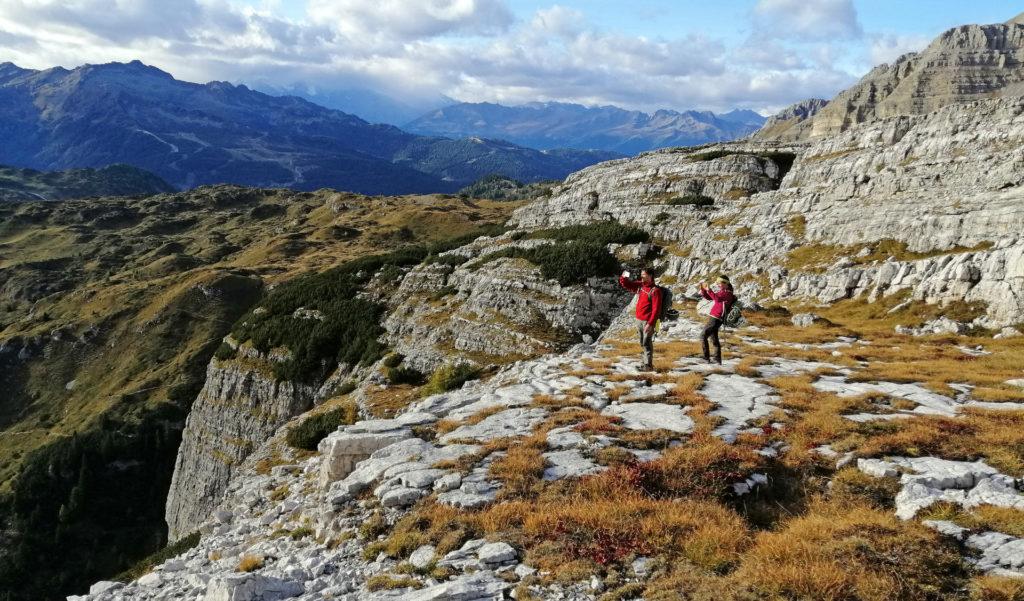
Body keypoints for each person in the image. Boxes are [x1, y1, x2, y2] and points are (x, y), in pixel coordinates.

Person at [619, 267, 662, 370]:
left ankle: (648, 366)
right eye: (641, 274)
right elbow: (626, 284)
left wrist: (650, 324)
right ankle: (644, 364)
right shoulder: (641, 285)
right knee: (642, 342)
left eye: (644, 275)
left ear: (650, 276)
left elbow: (656, 310)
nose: (641, 276)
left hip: (648, 321)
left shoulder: (655, 291)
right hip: (639, 320)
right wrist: (625, 274)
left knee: (647, 343)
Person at [699, 275, 735, 365]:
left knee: (703, 336)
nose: (718, 284)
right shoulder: (723, 291)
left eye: (720, 283)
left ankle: (706, 358)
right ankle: (717, 359)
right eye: (718, 283)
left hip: (716, 318)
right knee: (714, 339)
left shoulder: (728, 293)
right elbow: (710, 297)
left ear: (726, 284)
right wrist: (703, 289)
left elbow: (717, 299)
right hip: (714, 317)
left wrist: (708, 289)